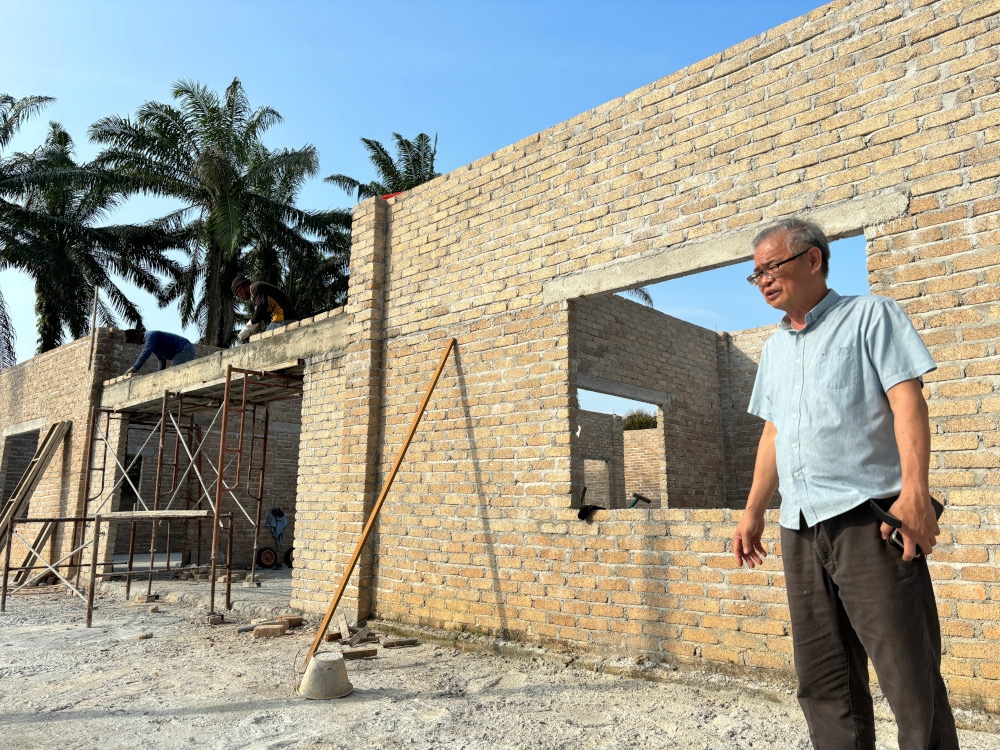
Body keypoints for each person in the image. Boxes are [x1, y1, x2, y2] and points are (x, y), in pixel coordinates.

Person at [734, 218, 958, 750]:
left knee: (909, 677)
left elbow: (908, 402)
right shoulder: (774, 349)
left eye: (772, 267)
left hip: (870, 521)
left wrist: (915, 492)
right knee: (823, 681)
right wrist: (753, 512)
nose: (763, 279)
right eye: (755, 274)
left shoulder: (871, 316)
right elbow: (774, 431)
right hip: (801, 527)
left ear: (813, 260)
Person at [232, 276, 297, 342]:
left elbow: (261, 309)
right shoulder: (254, 299)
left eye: (237, 294)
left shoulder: (256, 287)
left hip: (284, 317)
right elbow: (265, 318)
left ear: (241, 287)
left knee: (265, 341)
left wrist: (247, 328)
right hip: (279, 320)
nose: (239, 297)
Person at [123, 329, 196, 376]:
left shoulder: (150, 336)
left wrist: (135, 367)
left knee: (174, 374)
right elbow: (161, 360)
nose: (137, 344)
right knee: (178, 374)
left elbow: (146, 352)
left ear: (137, 334)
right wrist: (159, 374)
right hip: (184, 350)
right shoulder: (152, 342)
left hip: (184, 348)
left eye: (135, 341)